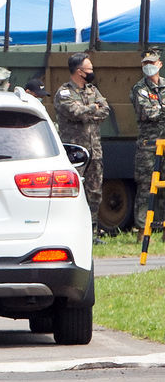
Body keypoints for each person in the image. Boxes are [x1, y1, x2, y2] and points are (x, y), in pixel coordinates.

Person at [54, 52, 111, 243]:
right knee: (72, 192)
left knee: (94, 192)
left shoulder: (92, 90)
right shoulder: (64, 93)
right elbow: (73, 111)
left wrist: (91, 109)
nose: (92, 72)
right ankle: (71, 232)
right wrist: (91, 109)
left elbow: (105, 110)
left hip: (94, 150)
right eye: (89, 69)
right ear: (79, 71)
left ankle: (92, 233)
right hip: (74, 153)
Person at [130, 49, 165, 230]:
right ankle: (143, 229)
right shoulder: (140, 89)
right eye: (145, 64)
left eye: (152, 63)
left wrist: (159, 109)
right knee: (146, 187)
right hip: (148, 147)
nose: (149, 67)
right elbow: (146, 113)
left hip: (164, 145)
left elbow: (156, 111)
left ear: (159, 64)